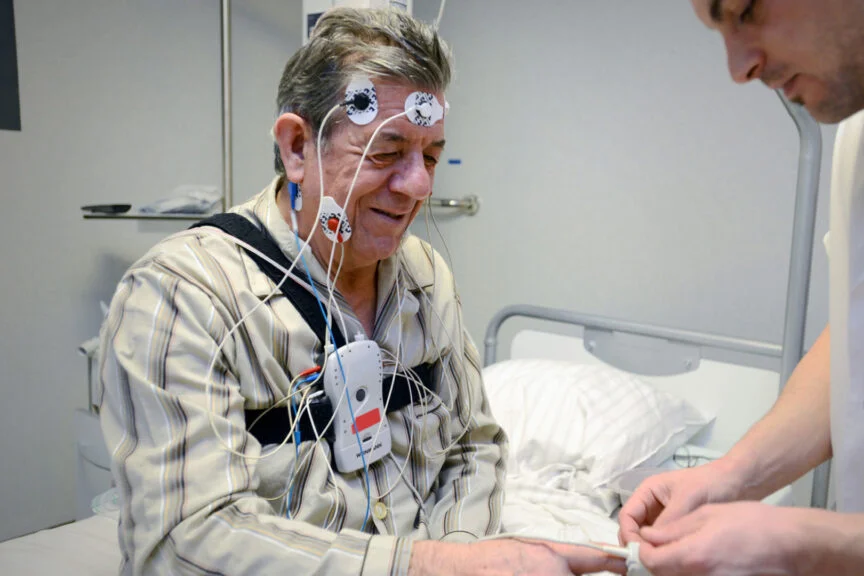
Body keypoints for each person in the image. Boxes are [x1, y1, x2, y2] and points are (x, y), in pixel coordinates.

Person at [99, 8, 620, 576]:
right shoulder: (183, 296)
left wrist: (460, 552)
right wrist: (428, 566)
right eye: (386, 152)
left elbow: (475, 446)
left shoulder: (425, 278)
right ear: (298, 147)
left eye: (431, 156)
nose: (419, 184)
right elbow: (185, 539)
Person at [618, 0, 864, 574]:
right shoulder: (863, 113)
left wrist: (810, 540)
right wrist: (732, 476)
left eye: (745, 10)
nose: (739, 68)